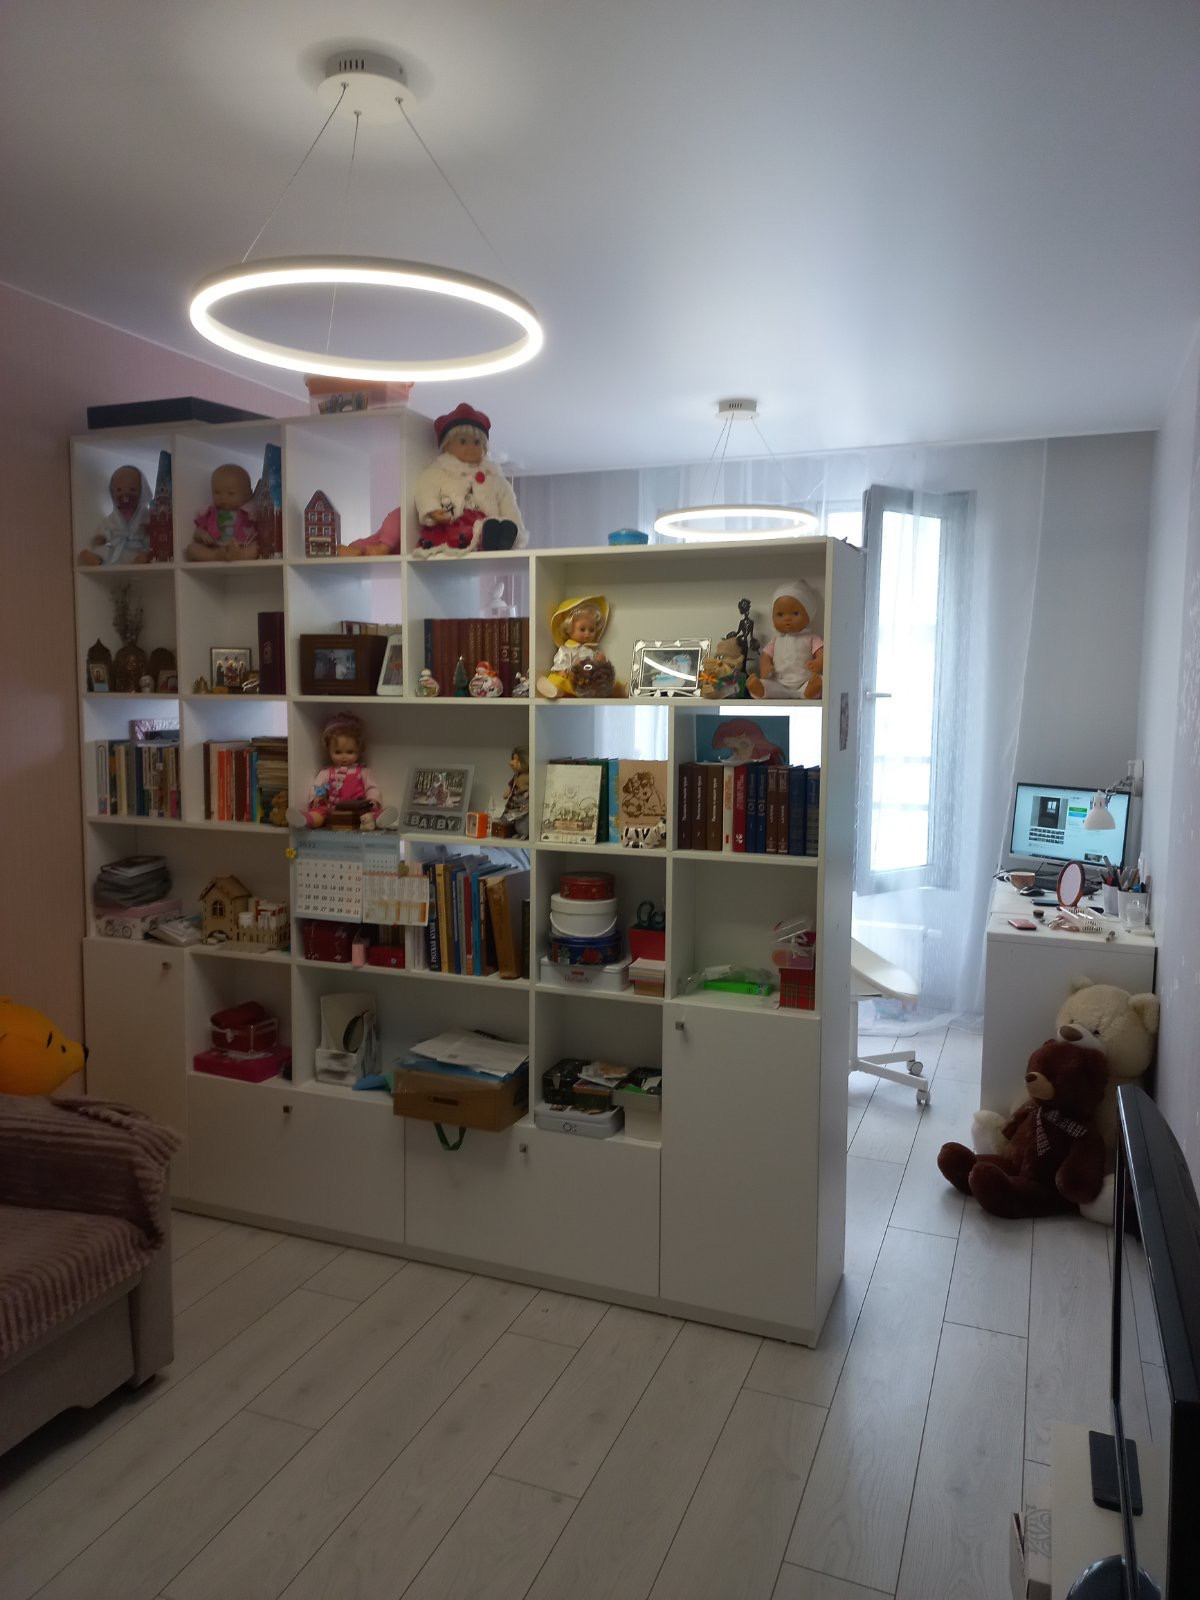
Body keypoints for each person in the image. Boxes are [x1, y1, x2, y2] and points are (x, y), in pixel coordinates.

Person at [412, 403, 527, 553]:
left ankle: (498, 537)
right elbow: (426, 487)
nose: (471, 447)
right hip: (453, 522)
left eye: (477, 442)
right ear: (446, 446)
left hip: (486, 522)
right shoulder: (440, 470)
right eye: (463, 442)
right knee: (466, 531)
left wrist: (514, 525)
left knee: (493, 525)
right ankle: (487, 539)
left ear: (484, 447)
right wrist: (432, 509)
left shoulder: (493, 476)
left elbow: (508, 503)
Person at [286, 713, 396, 830]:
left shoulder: (363, 771)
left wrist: (373, 800)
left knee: (369, 814)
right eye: (338, 752)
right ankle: (306, 819)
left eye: (350, 752)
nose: (344, 757)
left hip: (358, 808)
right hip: (332, 809)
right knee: (320, 812)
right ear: (329, 750)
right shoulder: (326, 772)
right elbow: (317, 786)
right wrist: (317, 798)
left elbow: (372, 788)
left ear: (359, 750)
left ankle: (380, 818)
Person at [746, 580, 824, 699]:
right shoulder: (776, 640)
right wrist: (765, 666)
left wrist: (818, 663)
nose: (787, 619)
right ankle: (760, 689)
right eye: (780, 615)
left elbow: (822, 653)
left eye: (795, 613)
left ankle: (810, 691)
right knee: (766, 684)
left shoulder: (811, 638)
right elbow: (765, 656)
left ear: (808, 615)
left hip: (804, 681)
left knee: (822, 681)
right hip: (779, 683)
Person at [536, 595, 610, 699]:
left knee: (604, 683)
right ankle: (555, 691)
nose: (587, 634)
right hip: (571, 678)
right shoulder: (566, 649)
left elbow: (597, 668)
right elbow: (561, 662)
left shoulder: (591, 651)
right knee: (558, 680)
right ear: (569, 629)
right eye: (582, 629)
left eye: (592, 630)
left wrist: (600, 661)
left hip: (587, 681)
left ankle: (622, 689)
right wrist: (562, 671)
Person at [78, 464, 152, 566]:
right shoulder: (114, 517)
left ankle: (141, 560)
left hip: (137, 548)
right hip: (116, 547)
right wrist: (102, 536)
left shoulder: (145, 515)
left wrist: (149, 529)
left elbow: (154, 528)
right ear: (112, 493)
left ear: (142, 491)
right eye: (119, 490)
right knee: (104, 549)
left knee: (147, 553)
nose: (125, 493)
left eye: (132, 490)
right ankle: (96, 558)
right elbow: (106, 526)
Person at [187, 463, 259, 562]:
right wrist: (203, 535)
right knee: (191, 549)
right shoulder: (211, 512)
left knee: (257, 547)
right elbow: (197, 532)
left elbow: (259, 529)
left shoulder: (249, 512)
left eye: (231, 493)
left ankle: (240, 556)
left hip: (242, 546)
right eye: (217, 492)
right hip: (216, 546)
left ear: (248, 494)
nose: (223, 498)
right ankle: (217, 556)